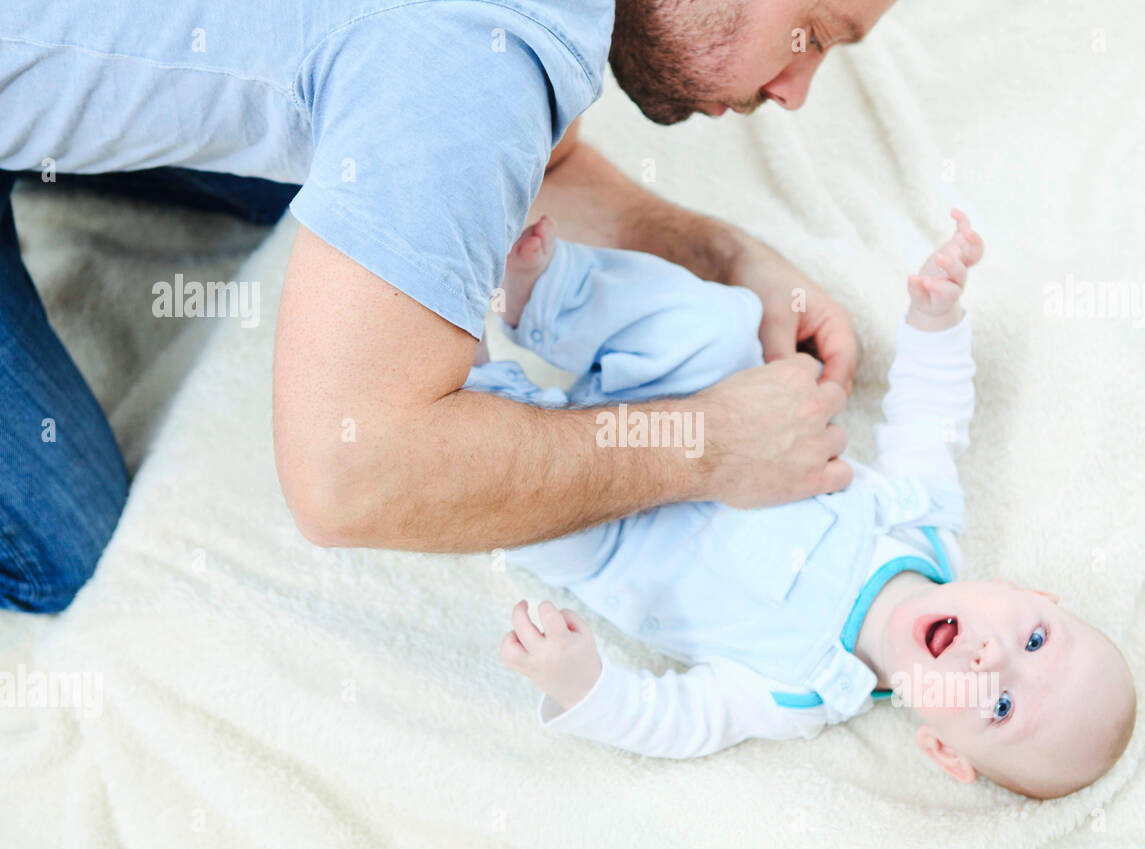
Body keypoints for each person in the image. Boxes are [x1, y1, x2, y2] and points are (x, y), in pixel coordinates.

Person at [0, 1, 897, 612]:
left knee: (359, 155)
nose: (794, 91)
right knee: (61, 549)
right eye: (811, 32)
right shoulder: (481, 50)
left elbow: (525, 161)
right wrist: (704, 445)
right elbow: (349, 475)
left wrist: (718, 255)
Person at [492, 212, 1136, 798]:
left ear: (944, 749)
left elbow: (680, 721)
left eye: (1000, 709)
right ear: (1025, 590)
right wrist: (935, 320)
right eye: (1032, 638)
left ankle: (465, 382)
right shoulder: (923, 523)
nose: (991, 658)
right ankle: (549, 300)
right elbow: (930, 417)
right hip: (693, 404)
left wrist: (583, 683)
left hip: (603, 526)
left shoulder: (799, 689)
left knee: (520, 508)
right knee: (718, 326)